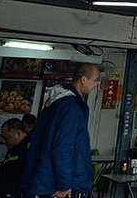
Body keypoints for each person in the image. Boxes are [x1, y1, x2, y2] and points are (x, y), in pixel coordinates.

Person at [21, 62, 99, 198]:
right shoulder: (71, 107)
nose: (96, 84)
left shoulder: (57, 102)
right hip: (55, 185)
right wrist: (65, 184)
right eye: (95, 79)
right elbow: (63, 147)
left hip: (44, 178)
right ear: (83, 79)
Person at [0, 118, 30, 198]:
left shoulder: (29, 149)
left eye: (6, 138)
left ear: (18, 133)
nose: (3, 141)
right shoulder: (13, 147)